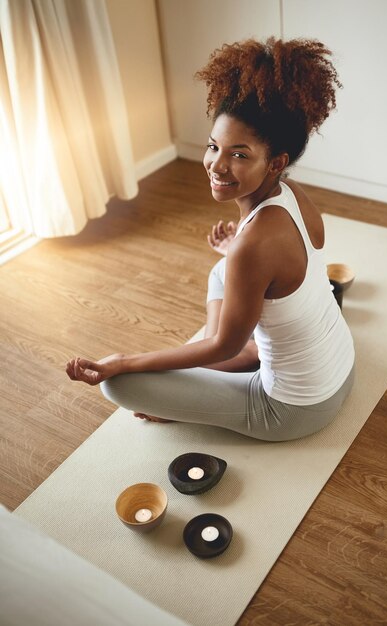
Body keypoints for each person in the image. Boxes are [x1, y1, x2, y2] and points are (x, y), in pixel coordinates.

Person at [66, 37, 355, 442]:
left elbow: (222, 346)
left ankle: (214, 384)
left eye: (239, 155)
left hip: (294, 408)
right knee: (223, 270)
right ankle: (246, 360)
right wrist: (237, 256)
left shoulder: (252, 246)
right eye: (213, 146)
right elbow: (288, 266)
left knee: (120, 385)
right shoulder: (294, 196)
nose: (217, 165)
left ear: (275, 163)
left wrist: (125, 362)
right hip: (341, 365)